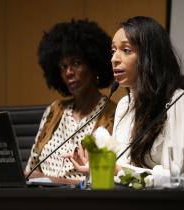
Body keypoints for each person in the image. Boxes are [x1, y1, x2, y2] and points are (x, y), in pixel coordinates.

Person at [24, 19, 116, 184]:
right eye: (63, 66)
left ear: (94, 65)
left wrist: (52, 180)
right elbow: (32, 168)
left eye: (76, 63)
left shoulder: (112, 115)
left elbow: (108, 180)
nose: (69, 72)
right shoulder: (55, 110)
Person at [111, 16, 184, 175]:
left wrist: (121, 171)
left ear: (150, 56)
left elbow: (180, 176)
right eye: (113, 51)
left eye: (126, 50)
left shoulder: (181, 102)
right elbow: (117, 167)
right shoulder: (123, 106)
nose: (114, 59)